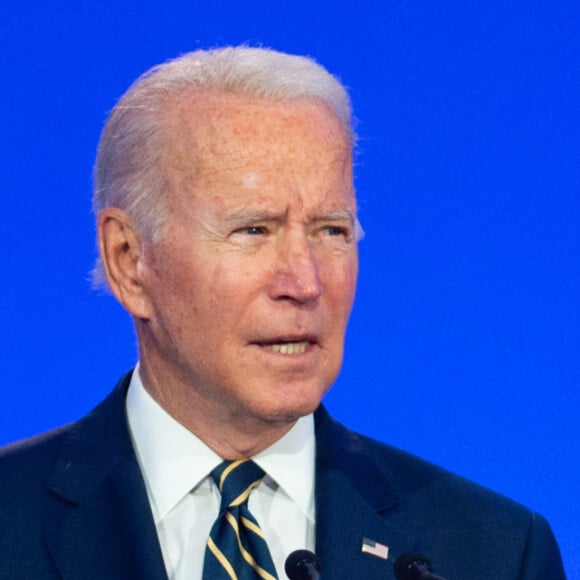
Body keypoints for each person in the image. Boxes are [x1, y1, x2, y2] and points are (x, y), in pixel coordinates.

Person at [0, 47, 565, 580]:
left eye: (332, 231)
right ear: (129, 260)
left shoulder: (494, 551)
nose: (305, 282)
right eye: (254, 230)